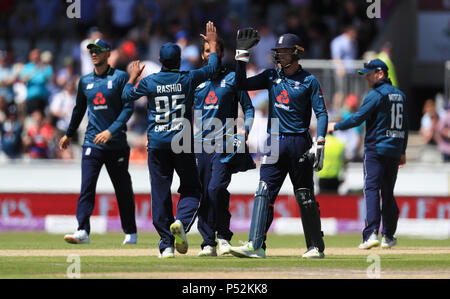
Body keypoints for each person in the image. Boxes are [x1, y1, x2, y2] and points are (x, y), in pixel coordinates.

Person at [122, 22, 220, 259]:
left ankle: (166, 244)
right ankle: (181, 222)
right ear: (179, 60)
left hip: (156, 142)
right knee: (193, 189)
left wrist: (132, 76)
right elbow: (213, 67)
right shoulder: (187, 78)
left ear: (159, 59)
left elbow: (126, 95)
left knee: (160, 192)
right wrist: (213, 44)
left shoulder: (150, 81)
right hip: (182, 142)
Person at [229, 30, 328, 259]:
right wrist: (242, 55)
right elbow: (240, 83)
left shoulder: (309, 81)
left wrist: (320, 142)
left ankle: (315, 247)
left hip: (299, 143)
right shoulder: (271, 76)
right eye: (278, 52)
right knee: (263, 191)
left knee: (304, 195)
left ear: (296, 54)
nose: (279, 56)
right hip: (273, 142)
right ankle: (256, 246)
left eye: (284, 52)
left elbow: (322, 113)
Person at [60, 39, 138, 246]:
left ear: (107, 53)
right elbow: (79, 109)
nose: (93, 54)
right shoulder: (85, 81)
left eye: (98, 51)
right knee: (87, 187)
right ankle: (82, 230)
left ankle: (130, 232)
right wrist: (69, 134)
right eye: (91, 51)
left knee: (122, 189)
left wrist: (111, 131)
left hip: (117, 145)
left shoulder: (120, 77)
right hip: (92, 143)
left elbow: (128, 108)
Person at [328, 58, 408, 250]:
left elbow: (357, 118)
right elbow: (405, 125)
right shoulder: (401, 95)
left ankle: (371, 233)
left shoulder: (376, 94)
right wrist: (403, 150)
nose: (366, 79)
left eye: (369, 75)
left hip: (375, 148)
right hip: (394, 149)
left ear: (380, 73)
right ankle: (388, 235)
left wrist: (335, 126)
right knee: (388, 192)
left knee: (371, 189)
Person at [194, 37, 255, 257]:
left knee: (216, 189)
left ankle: (223, 237)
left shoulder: (232, 78)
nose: (212, 54)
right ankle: (208, 242)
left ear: (222, 54)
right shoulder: (197, 80)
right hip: (200, 145)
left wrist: (244, 129)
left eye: (216, 50)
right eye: (208, 50)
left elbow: (248, 108)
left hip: (225, 143)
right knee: (204, 192)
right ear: (203, 55)